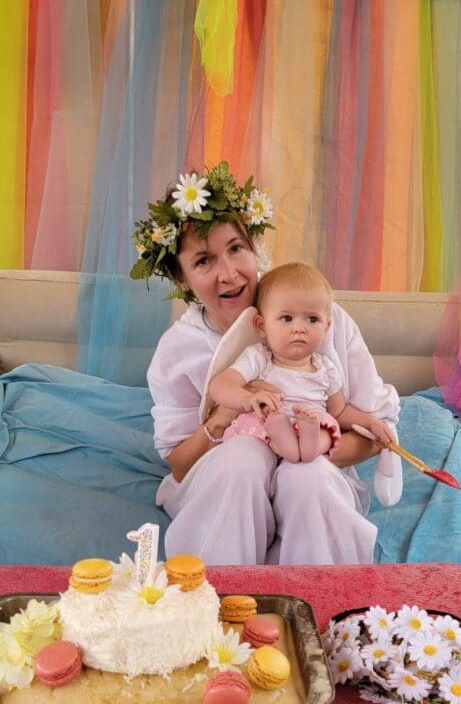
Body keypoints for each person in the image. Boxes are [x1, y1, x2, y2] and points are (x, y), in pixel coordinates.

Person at [131, 161, 402, 565]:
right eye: (204, 261)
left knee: (307, 481)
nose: (228, 274)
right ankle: (223, 601)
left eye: (236, 249)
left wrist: (306, 449)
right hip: (225, 476)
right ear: (182, 279)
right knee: (242, 460)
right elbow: (181, 464)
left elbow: (373, 432)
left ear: (254, 246)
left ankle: (320, 606)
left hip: (314, 460)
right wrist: (224, 415)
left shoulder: (320, 318)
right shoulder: (178, 349)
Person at [207, 261, 399, 505]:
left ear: (327, 326)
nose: (299, 328)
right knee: (258, 428)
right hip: (269, 423)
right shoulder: (259, 358)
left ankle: (304, 447)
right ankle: (289, 443)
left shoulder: (326, 368)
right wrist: (247, 398)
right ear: (262, 326)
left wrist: (370, 422)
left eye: (312, 319)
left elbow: (339, 411)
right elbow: (219, 385)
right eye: (286, 318)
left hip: (309, 423)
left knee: (327, 428)